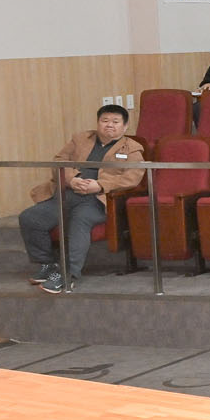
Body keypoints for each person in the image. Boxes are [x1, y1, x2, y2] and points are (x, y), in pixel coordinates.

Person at [17, 103, 146, 293]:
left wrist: (100, 185)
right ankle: (47, 264)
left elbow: (132, 178)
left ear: (125, 126)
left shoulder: (132, 148)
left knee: (80, 220)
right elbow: (59, 161)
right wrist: (71, 179)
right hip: (68, 193)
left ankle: (68, 275)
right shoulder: (80, 139)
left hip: (98, 199)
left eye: (115, 121)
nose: (109, 125)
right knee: (30, 218)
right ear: (98, 123)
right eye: (105, 120)